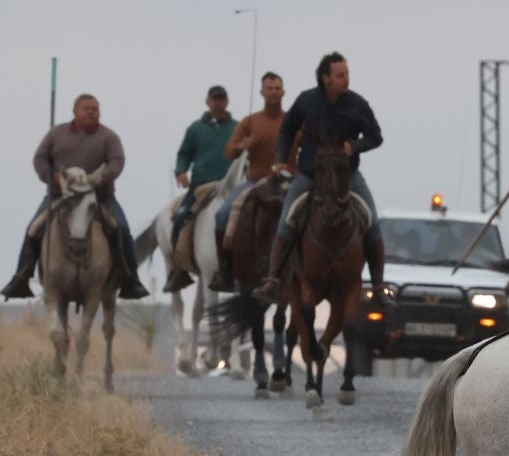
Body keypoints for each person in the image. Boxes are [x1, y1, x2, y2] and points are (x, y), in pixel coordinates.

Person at [253, 52, 385, 304]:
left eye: (347, 74)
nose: (346, 79)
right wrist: (281, 156)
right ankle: (272, 280)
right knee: (287, 218)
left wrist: (354, 146)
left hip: (347, 177)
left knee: (372, 221)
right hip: (310, 174)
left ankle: (379, 287)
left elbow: (376, 136)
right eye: (340, 75)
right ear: (326, 78)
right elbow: (288, 128)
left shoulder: (358, 104)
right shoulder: (306, 101)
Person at [1, 93, 152, 300]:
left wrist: (101, 179)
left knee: (123, 229)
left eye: (95, 108)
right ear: (75, 111)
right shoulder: (56, 133)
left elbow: (117, 161)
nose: (92, 112)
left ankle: (130, 280)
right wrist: (50, 177)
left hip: (100, 198)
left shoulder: (109, 137)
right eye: (87, 108)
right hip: (60, 196)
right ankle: (21, 277)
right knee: (33, 228)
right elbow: (40, 158)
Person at [209, 72, 288, 291]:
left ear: (283, 92)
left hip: (288, 181)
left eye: (277, 88)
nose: (273, 92)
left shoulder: (293, 120)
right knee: (223, 214)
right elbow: (229, 151)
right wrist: (240, 147)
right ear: (262, 92)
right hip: (255, 182)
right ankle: (225, 270)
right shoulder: (250, 121)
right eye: (269, 88)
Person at [163, 85, 237, 292]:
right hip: (202, 186)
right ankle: (179, 270)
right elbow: (184, 153)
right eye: (215, 99)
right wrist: (181, 171)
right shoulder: (195, 129)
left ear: (227, 102)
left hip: (230, 186)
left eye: (222, 99)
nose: (218, 103)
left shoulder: (237, 127)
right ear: (207, 102)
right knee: (179, 217)